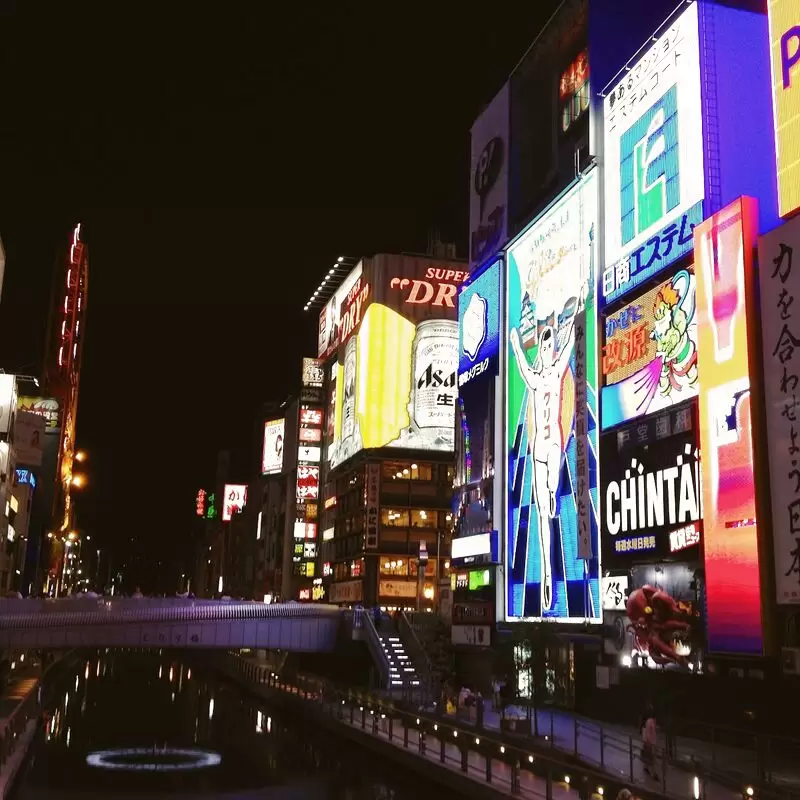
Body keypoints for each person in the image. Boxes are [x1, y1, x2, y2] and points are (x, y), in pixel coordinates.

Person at [510, 286, 583, 611]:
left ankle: (554, 489)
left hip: (553, 441)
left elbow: (569, 342)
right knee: (541, 516)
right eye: (545, 345)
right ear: (540, 348)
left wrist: (580, 302)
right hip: (538, 446)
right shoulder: (537, 379)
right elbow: (522, 366)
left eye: (550, 345)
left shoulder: (554, 375)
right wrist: (513, 341)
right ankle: (548, 579)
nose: (548, 349)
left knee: (552, 481)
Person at [641, 706, 659, 780]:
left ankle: (646, 768)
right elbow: (648, 731)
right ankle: (654, 773)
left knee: (650, 757)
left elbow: (652, 730)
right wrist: (647, 741)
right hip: (651, 742)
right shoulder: (649, 721)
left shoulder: (652, 721)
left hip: (652, 741)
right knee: (652, 758)